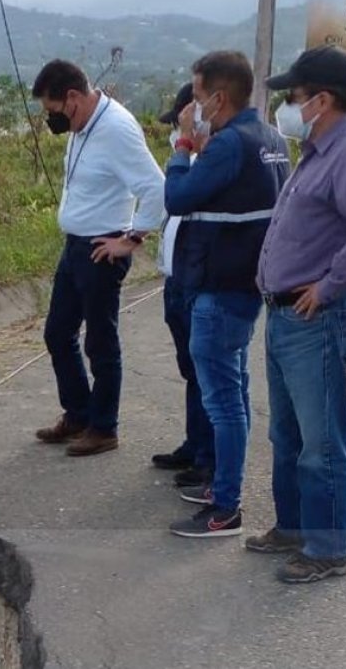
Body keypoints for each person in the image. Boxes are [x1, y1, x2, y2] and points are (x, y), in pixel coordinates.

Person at [250, 45, 346, 583]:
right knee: (286, 436)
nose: (287, 106)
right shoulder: (317, 149)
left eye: (293, 96)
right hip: (285, 315)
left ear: (322, 99)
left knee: (321, 443)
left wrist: (331, 284)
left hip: (314, 319)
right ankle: (293, 528)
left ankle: (328, 547)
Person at [162, 51, 292, 539]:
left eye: (196, 97)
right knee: (233, 390)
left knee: (223, 401)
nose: (192, 107)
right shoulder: (272, 138)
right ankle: (223, 487)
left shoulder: (228, 145)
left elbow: (176, 196)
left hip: (219, 286)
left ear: (217, 97)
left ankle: (226, 507)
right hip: (245, 285)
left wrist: (183, 144)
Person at [30, 59, 166, 457]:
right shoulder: (83, 125)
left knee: (101, 343)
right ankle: (78, 413)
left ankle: (103, 427)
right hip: (76, 246)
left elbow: (156, 187)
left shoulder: (116, 129)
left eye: (54, 111)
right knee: (58, 332)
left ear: (72, 98)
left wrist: (132, 238)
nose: (52, 120)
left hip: (101, 249)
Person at [150, 82, 216, 490]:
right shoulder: (188, 159)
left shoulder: (209, 161)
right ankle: (195, 445)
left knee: (209, 375)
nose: (176, 134)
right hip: (176, 280)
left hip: (198, 282)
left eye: (180, 124)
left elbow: (183, 201)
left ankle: (210, 458)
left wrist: (186, 148)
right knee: (191, 371)